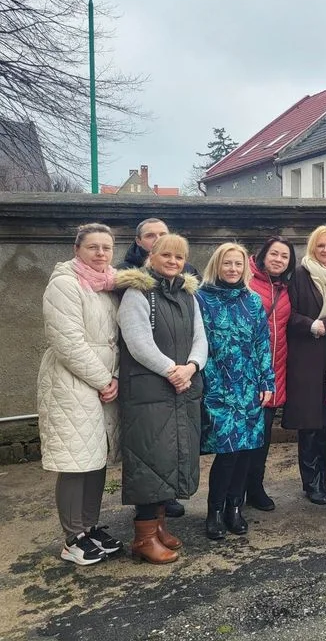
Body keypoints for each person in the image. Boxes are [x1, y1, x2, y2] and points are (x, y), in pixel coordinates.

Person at [116, 234, 207, 564]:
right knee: (150, 460)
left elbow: (201, 337)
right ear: (150, 255)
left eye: (179, 257)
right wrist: (173, 370)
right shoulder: (138, 292)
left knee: (170, 457)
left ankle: (158, 529)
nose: (173, 261)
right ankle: (143, 537)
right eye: (166, 255)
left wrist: (193, 366)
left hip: (181, 388)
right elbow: (137, 341)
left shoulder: (187, 294)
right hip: (151, 391)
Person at [37, 223, 123, 566]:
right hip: (72, 383)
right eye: (93, 247)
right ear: (78, 250)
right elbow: (67, 342)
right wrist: (104, 379)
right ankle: (72, 536)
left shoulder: (107, 284)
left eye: (106, 247)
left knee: (95, 457)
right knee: (75, 461)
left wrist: (113, 376)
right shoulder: (65, 284)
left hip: (104, 380)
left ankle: (89, 526)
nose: (100, 253)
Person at [196, 243, 275, 540]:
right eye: (227, 263)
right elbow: (199, 344)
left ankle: (235, 507)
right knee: (227, 453)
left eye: (238, 264)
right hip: (218, 388)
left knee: (246, 452)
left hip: (249, 387)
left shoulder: (252, 301)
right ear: (217, 265)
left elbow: (261, 345)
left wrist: (267, 382)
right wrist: (209, 382)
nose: (232, 269)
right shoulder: (201, 299)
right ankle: (214, 511)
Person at [284, 225, 326, 505]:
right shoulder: (300, 274)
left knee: (325, 422)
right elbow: (287, 314)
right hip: (305, 356)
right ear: (313, 247)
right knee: (309, 423)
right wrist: (311, 325)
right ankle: (311, 482)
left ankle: (324, 480)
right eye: (321, 246)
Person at [244, 236, 296, 511]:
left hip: (275, 371)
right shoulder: (247, 282)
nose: (278, 259)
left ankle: (255, 487)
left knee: (263, 437)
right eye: (274, 254)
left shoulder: (284, 288)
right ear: (263, 255)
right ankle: (234, 492)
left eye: (284, 256)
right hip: (246, 374)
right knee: (242, 437)